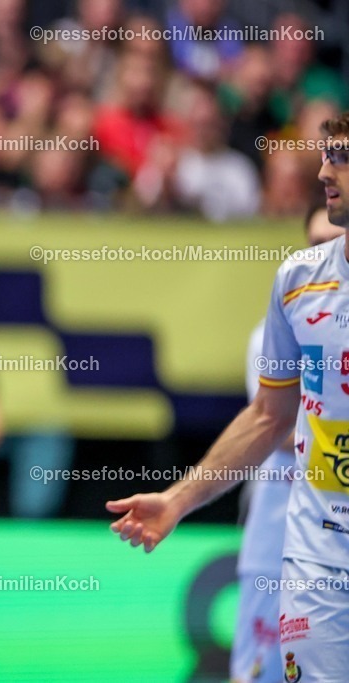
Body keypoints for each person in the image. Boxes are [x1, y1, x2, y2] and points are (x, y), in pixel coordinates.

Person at [107, 112, 349, 683]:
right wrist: (178, 499)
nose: (321, 171)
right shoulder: (298, 281)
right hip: (319, 556)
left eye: (338, 157)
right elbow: (268, 416)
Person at [230, 202, 344, 683]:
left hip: (333, 540)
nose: (327, 250)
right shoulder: (277, 327)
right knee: (259, 672)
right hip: (278, 533)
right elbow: (273, 428)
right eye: (316, 243)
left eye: (334, 241)